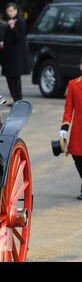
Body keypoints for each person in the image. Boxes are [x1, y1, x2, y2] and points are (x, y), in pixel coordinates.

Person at [59, 56, 82, 200]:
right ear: (80, 66)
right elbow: (68, 109)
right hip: (79, 131)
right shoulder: (73, 84)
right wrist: (64, 128)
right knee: (78, 159)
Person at [2, 2, 28, 103]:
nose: (9, 13)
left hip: (16, 56)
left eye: (11, 11)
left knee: (16, 78)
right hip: (8, 55)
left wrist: (13, 27)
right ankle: (15, 99)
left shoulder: (20, 22)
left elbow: (19, 37)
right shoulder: (9, 22)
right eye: (8, 11)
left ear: (16, 11)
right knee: (9, 78)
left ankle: (19, 99)